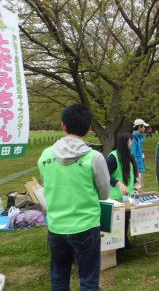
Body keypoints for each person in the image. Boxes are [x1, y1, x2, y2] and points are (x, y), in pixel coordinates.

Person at [38, 104, 110, 290]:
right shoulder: (95, 157)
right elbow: (104, 193)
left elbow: (48, 188)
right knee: (88, 280)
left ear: (63, 126)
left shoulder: (45, 155)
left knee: (59, 277)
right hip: (86, 226)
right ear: (88, 128)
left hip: (56, 226)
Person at [106, 132, 138, 248]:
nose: (131, 143)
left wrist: (136, 182)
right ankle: (117, 244)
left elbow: (133, 173)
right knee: (118, 220)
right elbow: (105, 175)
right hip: (116, 196)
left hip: (130, 194)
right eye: (130, 141)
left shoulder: (130, 155)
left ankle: (125, 241)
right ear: (125, 142)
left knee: (127, 218)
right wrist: (118, 183)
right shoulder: (113, 157)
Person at [131, 118, 149, 191]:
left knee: (141, 188)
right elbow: (133, 155)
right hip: (137, 169)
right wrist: (136, 170)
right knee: (138, 189)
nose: (144, 128)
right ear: (139, 127)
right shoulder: (134, 138)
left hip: (140, 168)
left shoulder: (138, 138)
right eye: (143, 126)